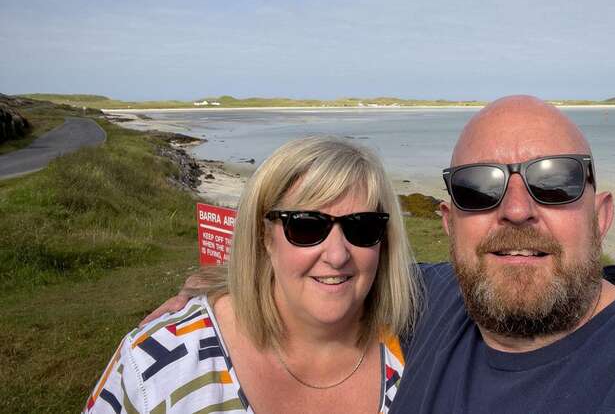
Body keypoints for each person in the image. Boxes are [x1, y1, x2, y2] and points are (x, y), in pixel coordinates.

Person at [151, 96, 615, 413]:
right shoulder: (425, 303)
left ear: (600, 217)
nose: (517, 209)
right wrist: (215, 284)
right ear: (450, 222)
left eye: (555, 180)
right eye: (479, 188)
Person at [85, 137, 420, 413]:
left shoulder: (418, 350)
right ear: (264, 238)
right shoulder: (157, 365)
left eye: (361, 228)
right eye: (305, 227)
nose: (336, 255)